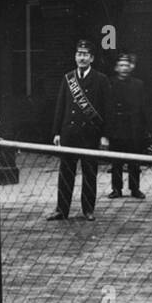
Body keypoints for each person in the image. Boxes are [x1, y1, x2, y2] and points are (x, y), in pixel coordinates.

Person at [47, 40, 110, 221]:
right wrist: (57, 132)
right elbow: (61, 106)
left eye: (85, 55)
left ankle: (88, 209)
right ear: (75, 57)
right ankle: (61, 209)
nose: (81, 58)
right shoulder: (68, 78)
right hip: (69, 133)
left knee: (90, 173)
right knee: (65, 173)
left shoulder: (101, 80)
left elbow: (107, 109)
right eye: (79, 54)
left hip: (90, 134)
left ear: (91, 58)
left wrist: (105, 135)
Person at [106, 52, 152, 199]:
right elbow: (106, 109)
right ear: (116, 68)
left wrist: (145, 129)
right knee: (116, 161)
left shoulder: (138, 84)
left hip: (133, 129)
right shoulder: (110, 84)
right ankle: (116, 189)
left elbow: (143, 108)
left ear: (131, 67)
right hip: (116, 128)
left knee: (134, 161)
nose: (124, 68)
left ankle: (135, 188)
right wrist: (106, 132)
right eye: (121, 65)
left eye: (126, 65)